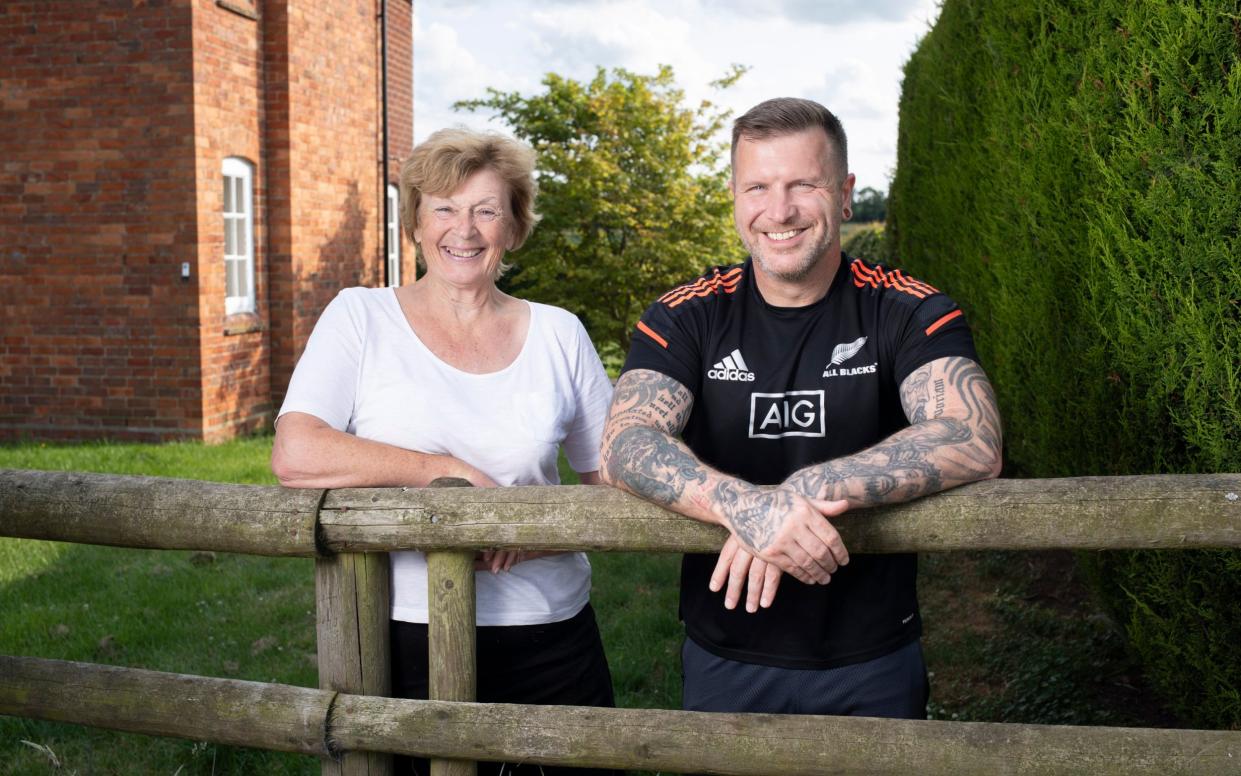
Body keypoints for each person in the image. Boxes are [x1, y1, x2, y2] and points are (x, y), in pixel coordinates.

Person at [600, 97, 1002, 718]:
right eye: (757, 186)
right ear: (734, 195)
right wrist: (746, 505)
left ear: (844, 193)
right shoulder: (685, 315)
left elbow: (971, 435)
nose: (778, 210)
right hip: (725, 649)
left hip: (871, 654)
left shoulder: (909, 309)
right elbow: (625, 443)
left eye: (803, 185)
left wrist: (808, 487)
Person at [272, 128, 618, 775]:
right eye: (444, 208)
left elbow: (615, 486)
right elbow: (297, 452)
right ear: (415, 223)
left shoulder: (558, 334)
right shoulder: (360, 318)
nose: (465, 228)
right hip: (402, 632)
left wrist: (524, 530)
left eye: (487, 209)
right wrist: (445, 473)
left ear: (514, 227)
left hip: (546, 630)